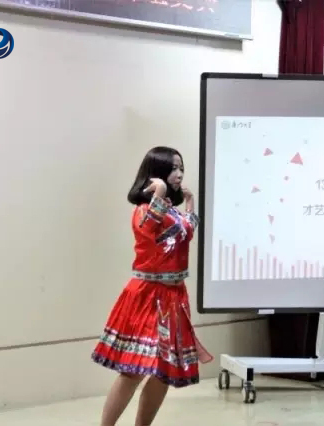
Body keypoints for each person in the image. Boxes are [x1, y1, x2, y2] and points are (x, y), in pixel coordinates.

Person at [91, 146, 213, 426]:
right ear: (157, 172)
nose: (179, 174)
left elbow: (186, 232)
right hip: (148, 296)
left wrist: (190, 202)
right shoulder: (144, 209)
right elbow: (148, 228)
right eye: (173, 168)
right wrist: (158, 193)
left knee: (163, 371)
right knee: (133, 370)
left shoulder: (170, 210)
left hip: (173, 296)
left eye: (181, 168)